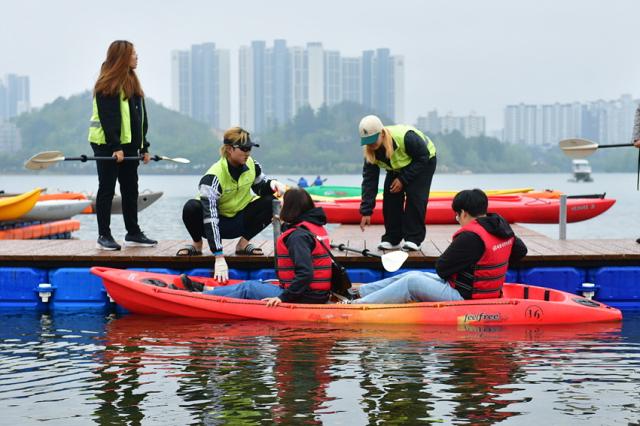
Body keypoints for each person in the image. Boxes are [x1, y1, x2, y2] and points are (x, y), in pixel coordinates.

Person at [344, 189, 527, 304]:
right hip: (485, 291)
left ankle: (356, 306)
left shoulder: (471, 237)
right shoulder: (502, 228)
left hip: (466, 298)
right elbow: (521, 251)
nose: (457, 220)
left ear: (463, 213)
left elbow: (441, 269)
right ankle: (358, 292)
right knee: (411, 274)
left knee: (411, 282)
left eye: (457, 215)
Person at [180, 188, 332, 306]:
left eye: (284, 202)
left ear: (291, 207)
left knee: (249, 288)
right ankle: (206, 290)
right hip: (313, 293)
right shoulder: (311, 226)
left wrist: (282, 297)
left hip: (306, 296)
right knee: (252, 284)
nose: (282, 205)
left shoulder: (298, 236)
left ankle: (198, 298)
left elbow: (306, 273)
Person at [178, 127, 287, 282]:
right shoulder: (213, 177)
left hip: (239, 220)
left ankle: (243, 245)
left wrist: (272, 184)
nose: (248, 152)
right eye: (244, 149)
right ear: (229, 149)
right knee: (191, 207)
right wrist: (219, 256)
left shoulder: (252, 165)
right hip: (212, 225)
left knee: (271, 201)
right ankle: (196, 245)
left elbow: (260, 187)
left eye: (250, 148)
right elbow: (211, 218)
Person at [88, 40, 157, 251]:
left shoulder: (132, 82)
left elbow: (140, 119)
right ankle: (104, 235)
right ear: (122, 57)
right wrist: (115, 147)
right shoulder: (107, 84)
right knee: (107, 188)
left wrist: (144, 147)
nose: (137, 57)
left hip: (128, 146)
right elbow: (108, 118)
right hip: (106, 144)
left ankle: (133, 232)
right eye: (134, 54)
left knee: (130, 188)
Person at [358, 115, 437, 251]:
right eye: (367, 141)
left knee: (415, 196)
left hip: (424, 161)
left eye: (373, 140)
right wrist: (366, 210)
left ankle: (413, 239)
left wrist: (403, 179)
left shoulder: (406, 137)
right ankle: (392, 238)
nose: (371, 145)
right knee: (390, 197)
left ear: (382, 133)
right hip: (398, 167)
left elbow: (422, 157)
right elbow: (369, 181)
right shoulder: (370, 153)